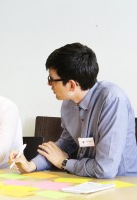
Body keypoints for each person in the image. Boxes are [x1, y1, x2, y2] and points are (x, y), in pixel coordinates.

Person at [9, 42, 137, 178]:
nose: (49, 84)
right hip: (88, 181)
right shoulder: (68, 103)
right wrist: (31, 165)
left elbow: (105, 169)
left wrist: (64, 162)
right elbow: (65, 144)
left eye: (51, 79)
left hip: (123, 182)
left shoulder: (113, 100)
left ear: (71, 85)